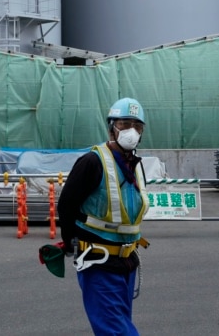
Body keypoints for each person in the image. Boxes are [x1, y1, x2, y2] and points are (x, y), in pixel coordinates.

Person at [57, 97, 151, 336]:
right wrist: (69, 242)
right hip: (99, 262)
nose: (131, 131)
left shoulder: (136, 165)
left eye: (137, 126)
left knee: (116, 326)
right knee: (117, 332)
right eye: (125, 124)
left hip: (128, 262)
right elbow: (67, 204)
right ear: (112, 127)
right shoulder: (92, 162)